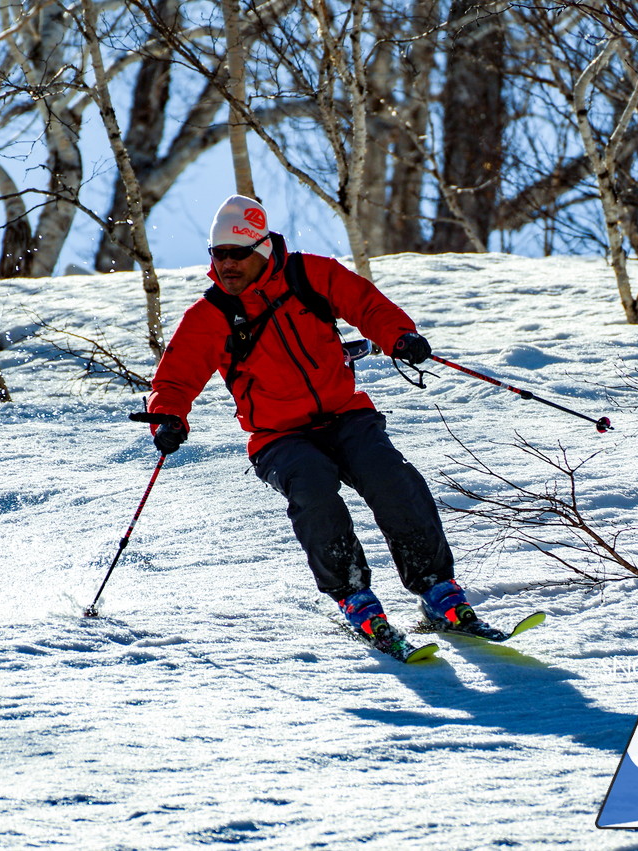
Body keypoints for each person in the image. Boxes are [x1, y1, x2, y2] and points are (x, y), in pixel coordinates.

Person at [141, 195, 484, 659]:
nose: (226, 265)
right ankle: (355, 597)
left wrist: (399, 336)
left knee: (391, 478)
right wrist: (167, 417)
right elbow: (176, 377)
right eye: (217, 254)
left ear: (263, 250)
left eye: (236, 254)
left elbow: (368, 306)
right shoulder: (212, 315)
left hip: (346, 414)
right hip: (278, 436)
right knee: (314, 491)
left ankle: (438, 591)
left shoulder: (311, 275)